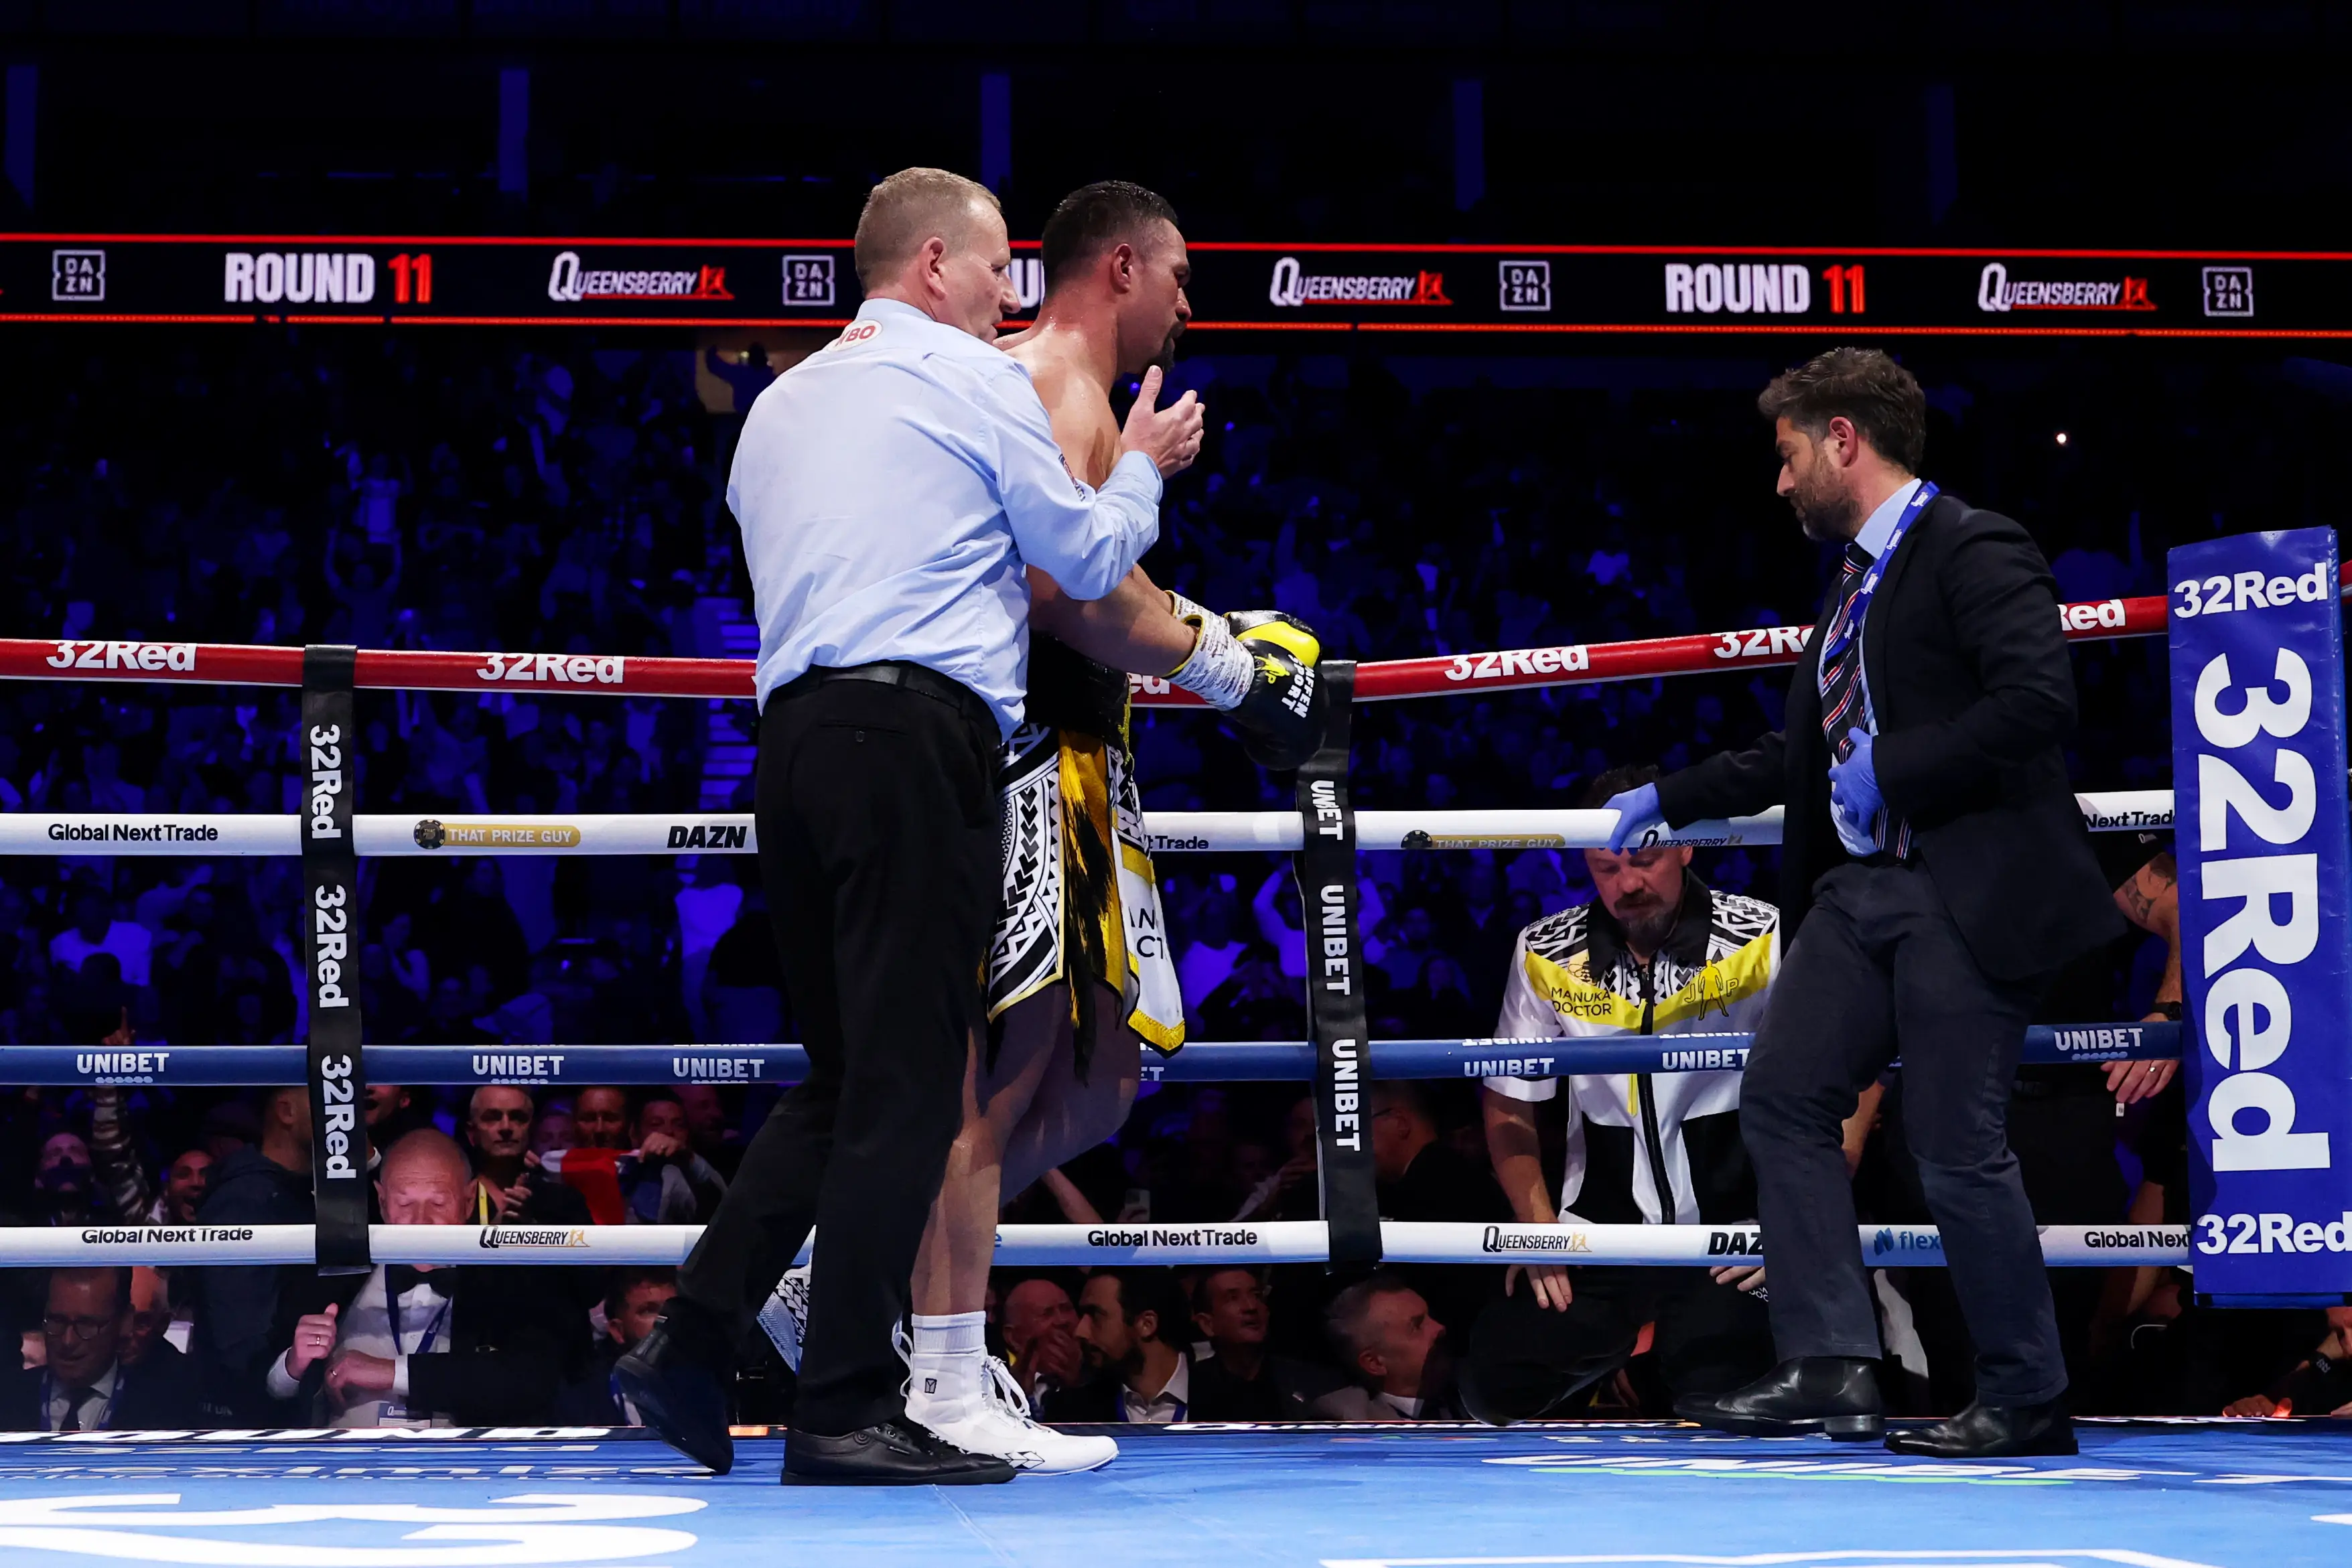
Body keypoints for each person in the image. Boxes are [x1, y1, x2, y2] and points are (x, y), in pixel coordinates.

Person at [618, 165, 1201, 1488]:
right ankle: (842, 1409)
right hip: (912, 740)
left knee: (845, 1079)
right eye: (995, 269)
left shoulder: (777, 405)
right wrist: (1146, 471)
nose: (1007, 298)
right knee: (906, 1086)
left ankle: (691, 1342)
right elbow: (1085, 556)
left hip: (794, 747)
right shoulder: (971, 379)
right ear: (933, 263)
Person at [880, 178, 1323, 1475]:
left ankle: (855, 1272)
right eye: (1178, 277)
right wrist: (1226, 665)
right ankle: (940, 1376)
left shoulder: (1070, 394)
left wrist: (1195, 620)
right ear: (1120, 267)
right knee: (999, 1080)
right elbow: (1058, 591)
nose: (1189, 306)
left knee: (1103, 1076)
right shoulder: (1042, 384)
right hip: (1027, 762)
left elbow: (1098, 574)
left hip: (1080, 761)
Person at [1609, 347, 2120, 1458]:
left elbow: (2038, 701)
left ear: (1842, 439)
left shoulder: (1972, 545)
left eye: (1788, 454)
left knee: (1951, 1140)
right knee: (1782, 1096)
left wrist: (1896, 766)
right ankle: (1831, 1363)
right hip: (1859, 889)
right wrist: (1665, 799)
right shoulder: (1854, 584)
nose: (1779, 481)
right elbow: (1803, 752)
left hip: (1960, 883)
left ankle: (2026, 1393)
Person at [1466, 765, 1783, 1423]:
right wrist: (1538, 1229)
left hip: (1731, 1239)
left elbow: (1853, 1072)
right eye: (1605, 867)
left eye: (1643, 859)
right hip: (1600, 1243)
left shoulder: (1761, 937)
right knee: (1495, 1376)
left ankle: (1660, 1354)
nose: (1627, 884)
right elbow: (1508, 1097)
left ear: (1686, 846)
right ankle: (1625, 1351)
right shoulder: (1546, 952)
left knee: (1716, 1385)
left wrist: (1792, 1224)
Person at [266, 1129, 571, 1427]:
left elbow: (531, 1382)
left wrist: (392, 1372)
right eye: (404, 1204)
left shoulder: (508, 1281)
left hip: (462, 1459)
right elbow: (261, 1390)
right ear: (382, 1202)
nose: (421, 1222)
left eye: (438, 1204)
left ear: (468, 1202)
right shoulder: (334, 1275)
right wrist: (293, 1365)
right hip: (343, 1458)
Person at [190, 1086, 316, 1423]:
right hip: (248, 1425)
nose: (343, 1113)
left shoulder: (303, 1190)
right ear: (287, 1112)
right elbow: (239, 1344)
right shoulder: (244, 1200)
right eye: (327, 1097)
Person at [0, 1267, 198, 1431]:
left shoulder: (168, 1412)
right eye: (56, 1321)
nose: (68, 1341)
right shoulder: (7, 1398)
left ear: (125, 1322)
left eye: (87, 1325)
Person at [1044, 1268, 1194, 1423]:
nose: (1080, 1331)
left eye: (1095, 1315)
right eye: (1082, 1316)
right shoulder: (1069, 1411)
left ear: (1146, 1324)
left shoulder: (1212, 1393)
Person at [1185, 1267, 1332, 1420]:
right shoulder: (1189, 1390)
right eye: (1233, 1298)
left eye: (1256, 1295)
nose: (1251, 1307)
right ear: (1207, 1324)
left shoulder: (1315, 1384)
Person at [1310, 1275, 1452, 1421]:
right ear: (1375, 1363)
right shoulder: (1351, 1419)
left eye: (1430, 1317)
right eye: (1417, 1326)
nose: (1440, 1328)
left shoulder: (1464, 1384)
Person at [461, 1086, 591, 1226]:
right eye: (492, 1118)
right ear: (472, 1133)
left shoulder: (565, 1201)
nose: (506, 1127)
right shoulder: (456, 1197)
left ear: (532, 1129)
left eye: (518, 1118)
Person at [997, 1273, 1087, 1407]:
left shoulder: (1104, 1381)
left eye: (1067, 1309)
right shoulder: (992, 1393)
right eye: (1047, 1313)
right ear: (1013, 1338)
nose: (1062, 1321)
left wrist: (1077, 1386)